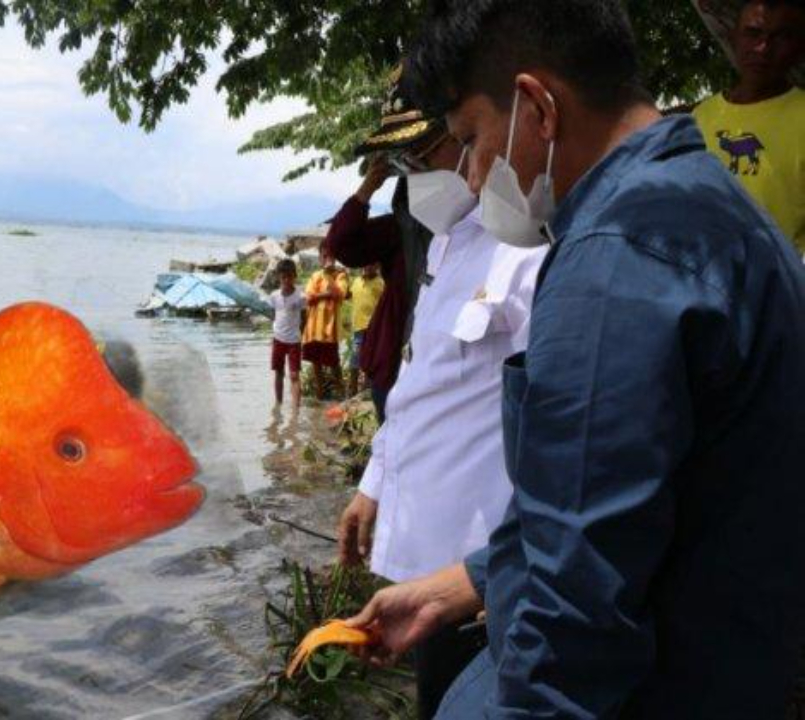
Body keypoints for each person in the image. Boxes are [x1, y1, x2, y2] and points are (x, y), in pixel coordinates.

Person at [345, 2, 805, 718]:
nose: (470, 178)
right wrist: (468, 582)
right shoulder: (701, 206)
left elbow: (575, 617)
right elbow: (626, 496)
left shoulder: (617, 263)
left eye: (471, 138)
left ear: (537, 108)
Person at [335, 111, 547, 720]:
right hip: (425, 550)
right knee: (434, 696)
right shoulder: (449, 242)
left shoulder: (527, 246)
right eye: (398, 167)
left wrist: (492, 573)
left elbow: (550, 425)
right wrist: (374, 483)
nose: (411, 179)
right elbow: (418, 384)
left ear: (469, 141)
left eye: (417, 160)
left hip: (477, 568)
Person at [327, 67, 442, 421]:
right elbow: (343, 244)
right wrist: (366, 189)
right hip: (392, 366)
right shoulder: (401, 228)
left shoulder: (482, 229)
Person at [693, 0, 805, 255]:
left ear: (799, 49)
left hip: (780, 286)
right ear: (733, 39)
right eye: (753, 33)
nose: (763, 48)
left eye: (781, 37)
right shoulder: (701, 117)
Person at [301, 249, 349, 399]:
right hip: (314, 328)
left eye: (331, 256)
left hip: (330, 329)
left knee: (334, 362)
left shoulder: (341, 275)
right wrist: (326, 294)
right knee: (316, 363)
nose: (328, 259)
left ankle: (342, 394)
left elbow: (339, 295)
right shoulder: (315, 276)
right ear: (320, 258)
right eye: (325, 256)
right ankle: (320, 395)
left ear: (334, 258)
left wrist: (328, 278)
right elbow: (308, 298)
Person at [269, 259, 305, 409]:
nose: (286, 280)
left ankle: (296, 410)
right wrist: (274, 334)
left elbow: (304, 318)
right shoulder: (274, 296)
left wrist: (300, 334)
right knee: (278, 373)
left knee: (294, 375)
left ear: (294, 276)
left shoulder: (300, 297)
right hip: (278, 339)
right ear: (279, 277)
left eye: (289, 277)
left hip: (293, 341)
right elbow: (274, 315)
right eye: (283, 277)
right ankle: (278, 405)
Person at [345, 263, 384, 397]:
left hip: (373, 329)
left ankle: (365, 391)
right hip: (358, 329)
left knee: (369, 361)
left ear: (377, 266)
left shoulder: (380, 283)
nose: (368, 266)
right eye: (366, 263)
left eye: (372, 264)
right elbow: (347, 295)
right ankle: (352, 391)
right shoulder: (356, 281)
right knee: (355, 361)